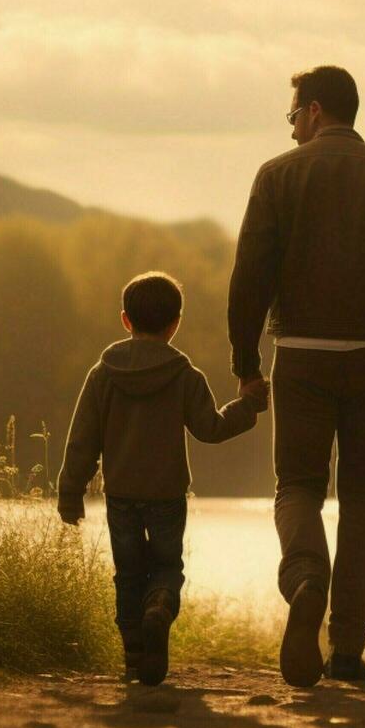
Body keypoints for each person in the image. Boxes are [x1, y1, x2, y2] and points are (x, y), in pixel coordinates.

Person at [228, 65, 365, 688]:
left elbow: (250, 279)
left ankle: (304, 581)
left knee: (296, 485)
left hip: (300, 354)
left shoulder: (277, 176)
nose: (293, 129)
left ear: (317, 110)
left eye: (294, 114)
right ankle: (348, 649)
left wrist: (246, 365)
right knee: (362, 502)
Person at [57, 271, 268, 686]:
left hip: (120, 496)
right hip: (168, 496)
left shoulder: (103, 375)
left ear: (125, 320)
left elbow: (82, 439)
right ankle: (160, 607)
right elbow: (210, 428)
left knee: (128, 574)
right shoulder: (185, 376)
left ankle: (136, 656)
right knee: (167, 567)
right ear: (175, 324)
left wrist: (70, 493)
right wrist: (247, 406)